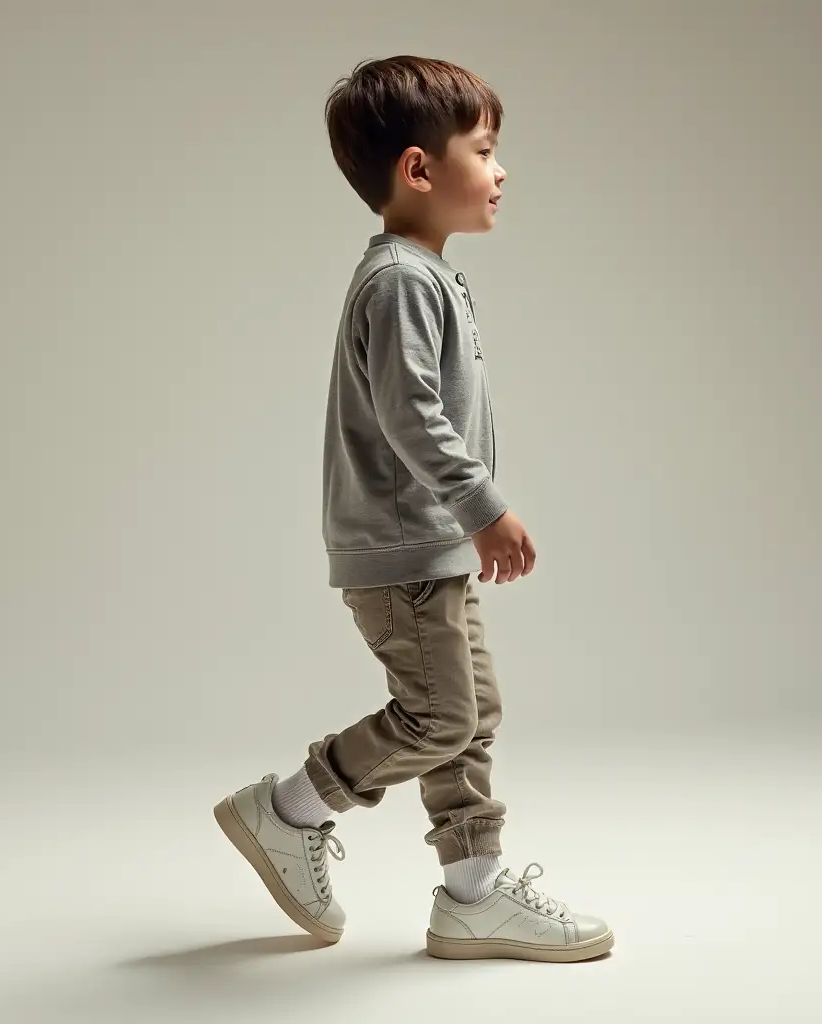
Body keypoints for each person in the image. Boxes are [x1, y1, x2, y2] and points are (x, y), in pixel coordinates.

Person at [214, 55, 614, 963]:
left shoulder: (425, 272)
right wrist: (484, 507)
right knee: (438, 717)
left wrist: (466, 523)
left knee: (469, 712)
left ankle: (472, 895)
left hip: (430, 546)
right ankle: (287, 809)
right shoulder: (399, 278)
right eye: (485, 148)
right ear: (419, 169)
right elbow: (411, 414)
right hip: (403, 548)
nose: (502, 168)